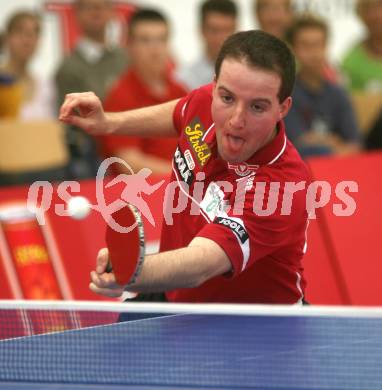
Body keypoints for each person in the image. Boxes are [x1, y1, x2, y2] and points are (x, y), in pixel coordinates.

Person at [60, 30, 310, 304]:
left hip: (253, 326)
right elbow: (182, 111)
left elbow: (202, 263)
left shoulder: (282, 186)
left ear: (283, 108)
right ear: (215, 87)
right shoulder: (207, 101)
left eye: (257, 107)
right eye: (227, 98)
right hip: (174, 295)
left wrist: (131, 271)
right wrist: (109, 122)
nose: (236, 119)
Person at [100, 9, 187, 175]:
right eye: (145, 40)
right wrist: (186, 176)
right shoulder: (120, 96)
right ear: (129, 46)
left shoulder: (180, 91)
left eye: (162, 40)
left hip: (183, 188)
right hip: (142, 192)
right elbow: (128, 164)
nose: (155, 50)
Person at [55, 0, 128, 179]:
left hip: (130, 138)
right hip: (94, 151)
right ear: (76, 14)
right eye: (89, 6)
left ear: (112, 12)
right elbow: (71, 122)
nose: (97, 11)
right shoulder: (68, 68)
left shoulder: (126, 58)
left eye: (103, 5)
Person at [284, 15, 361, 158]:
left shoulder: (339, 93)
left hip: (338, 170)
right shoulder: (286, 93)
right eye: (306, 45)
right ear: (293, 49)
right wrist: (334, 141)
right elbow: (299, 143)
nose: (313, 52)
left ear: (326, 46)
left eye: (318, 44)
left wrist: (323, 143)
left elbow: (355, 145)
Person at [0, 10, 56, 119]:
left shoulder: (46, 86)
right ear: (7, 37)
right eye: (20, 32)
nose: (27, 40)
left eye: (33, 33)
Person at [176, 0, 237, 91]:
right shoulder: (184, 79)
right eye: (215, 30)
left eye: (227, 30)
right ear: (201, 30)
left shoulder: (250, 73)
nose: (222, 38)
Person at [342, 0, 382, 92]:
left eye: (380, 7)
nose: (377, 16)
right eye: (369, 10)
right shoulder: (350, 62)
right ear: (361, 16)